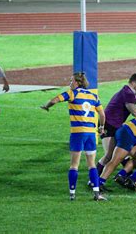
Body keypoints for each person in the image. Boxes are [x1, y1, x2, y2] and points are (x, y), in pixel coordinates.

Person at [41, 72, 106, 201]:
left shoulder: (71, 93)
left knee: (74, 165)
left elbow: (54, 100)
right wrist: (101, 127)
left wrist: (46, 106)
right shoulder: (94, 96)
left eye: (71, 81)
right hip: (91, 134)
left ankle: (72, 194)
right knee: (92, 164)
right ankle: (97, 194)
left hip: (77, 133)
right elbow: (102, 115)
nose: (70, 83)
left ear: (77, 83)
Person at [97, 73, 136, 175]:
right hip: (108, 125)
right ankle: (94, 181)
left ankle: (125, 176)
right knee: (109, 155)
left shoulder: (133, 93)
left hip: (116, 126)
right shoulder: (128, 93)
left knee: (124, 152)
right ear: (133, 83)